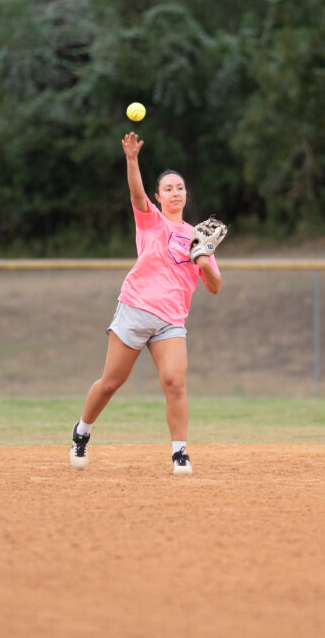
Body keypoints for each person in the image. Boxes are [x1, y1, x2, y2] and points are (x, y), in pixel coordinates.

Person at [70, 131, 224, 475]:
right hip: (135, 310)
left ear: (186, 194)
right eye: (168, 189)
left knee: (174, 382)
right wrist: (132, 160)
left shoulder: (198, 237)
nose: (175, 192)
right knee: (110, 383)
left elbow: (215, 287)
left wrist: (203, 259)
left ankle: (180, 453)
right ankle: (82, 431)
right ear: (159, 196)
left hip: (171, 322)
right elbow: (137, 195)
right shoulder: (151, 221)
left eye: (179, 188)